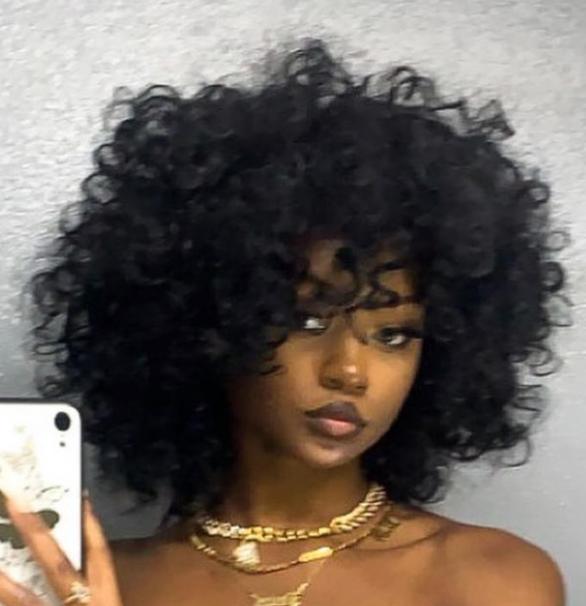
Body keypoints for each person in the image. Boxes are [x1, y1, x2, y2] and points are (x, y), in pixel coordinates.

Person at [13, 38, 568, 605]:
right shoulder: (100, 584)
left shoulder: (494, 580)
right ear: (213, 323)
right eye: (309, 321)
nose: (349, 371)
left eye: (392, 335)